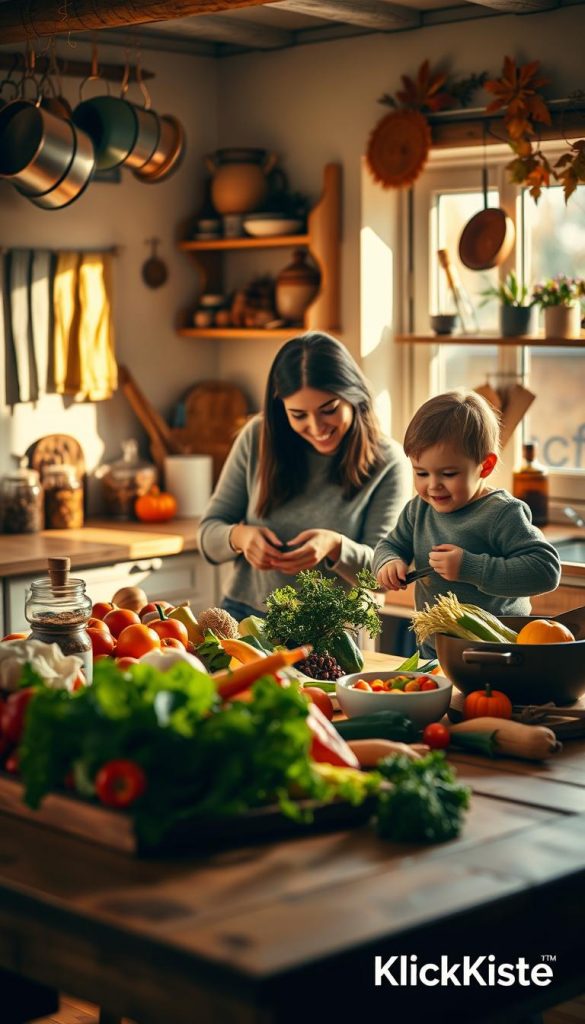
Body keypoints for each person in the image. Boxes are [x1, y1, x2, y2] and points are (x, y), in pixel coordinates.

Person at [198, 331, 411, 620]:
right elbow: (208, 533)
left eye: (329, 410)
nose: (316, 426)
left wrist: (335, 547)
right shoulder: (257, 437)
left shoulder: (388, 461)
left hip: (331, 630)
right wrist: (240, 537)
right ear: (280, 407)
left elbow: (382, 575)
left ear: (353, 396)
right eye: (298, 415)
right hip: (244, 615)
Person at [373, 390, 561, 654]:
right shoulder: (418, 510)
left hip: (499, 652)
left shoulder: (502, 513)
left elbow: (546, 571)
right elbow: (389, 545)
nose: (433, 485)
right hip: (434, 650)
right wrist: (389, 562)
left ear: (485, 466)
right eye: (421, 472)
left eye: (448, 473)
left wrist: (470, 567)